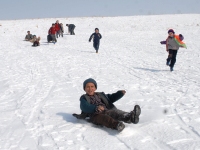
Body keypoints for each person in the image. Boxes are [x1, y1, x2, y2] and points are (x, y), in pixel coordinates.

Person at [73, 78, 141, 132]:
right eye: (87, 87)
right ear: (84, 88)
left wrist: (119, 94)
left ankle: (130, 117)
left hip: (106, 110)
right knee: (105, 119)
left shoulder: (100, 95)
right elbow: (84, 107)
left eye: (92, 86)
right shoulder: (84, 98)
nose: (90, 89)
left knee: (115, 112)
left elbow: (110, 98)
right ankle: (117, 125)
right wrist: (95, 108)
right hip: (95, 115)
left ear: (95, 88)